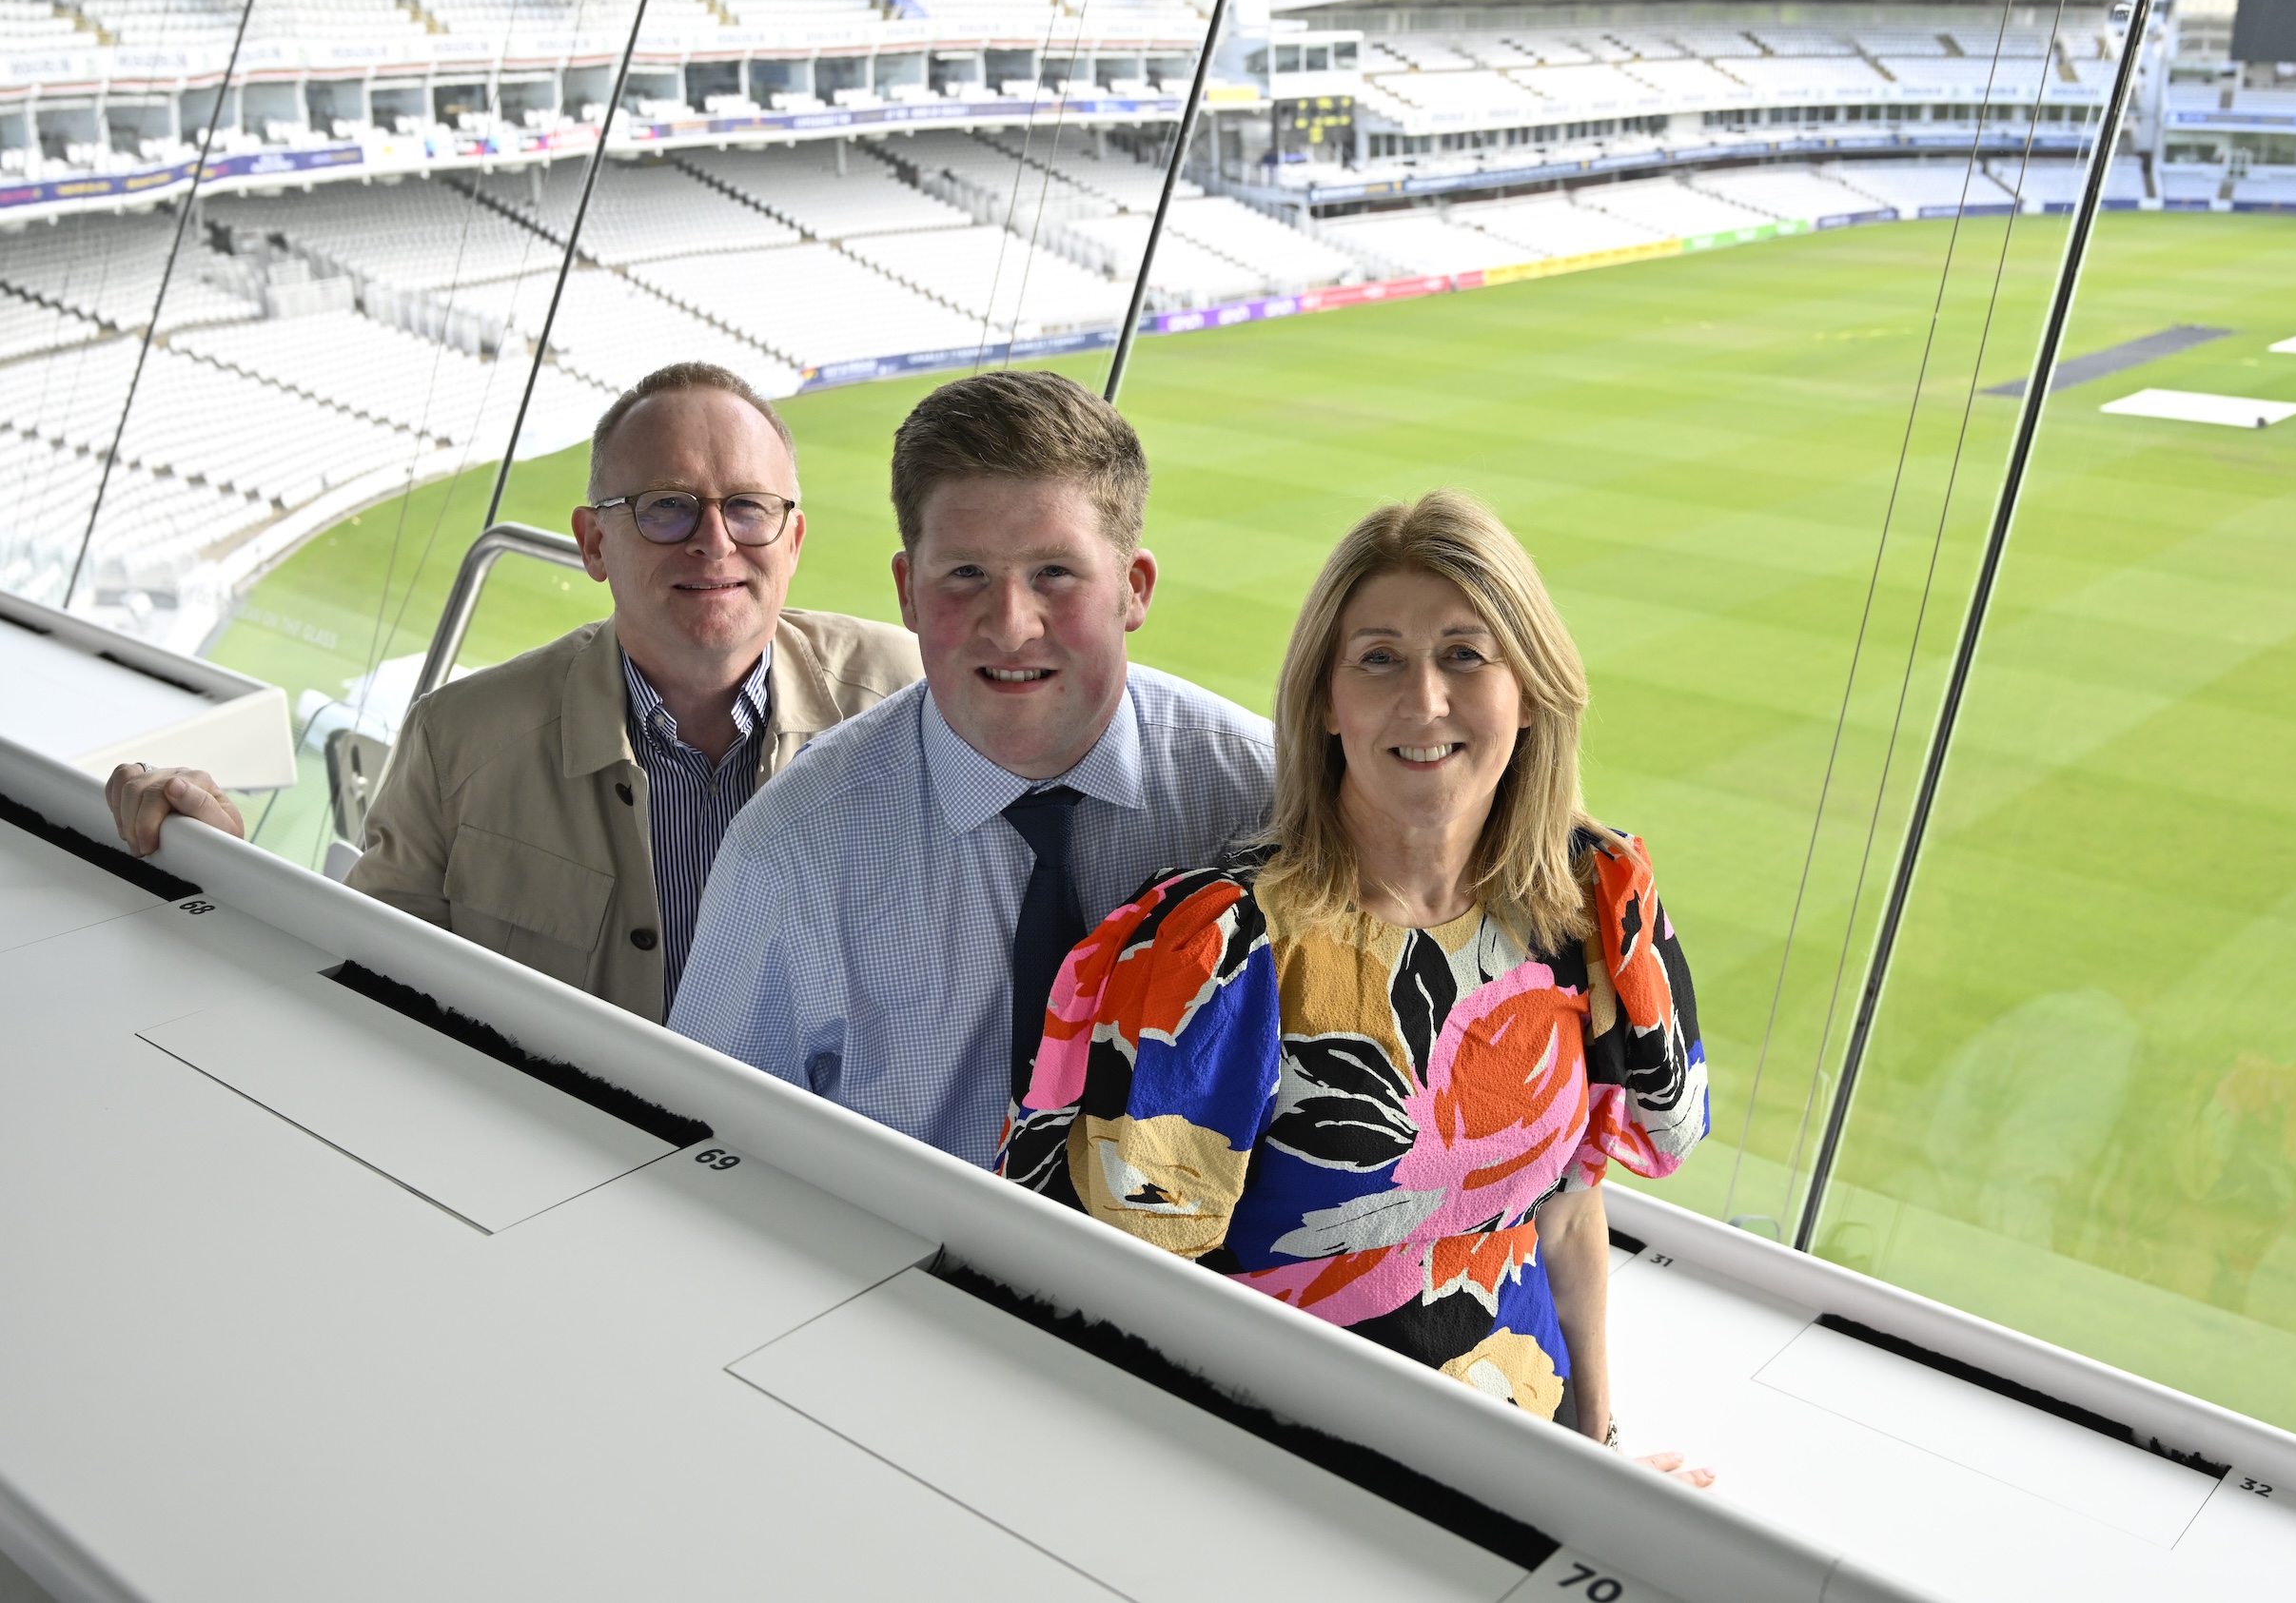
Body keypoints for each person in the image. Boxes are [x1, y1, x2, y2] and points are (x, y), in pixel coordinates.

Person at [997, 490, 1710, 1470]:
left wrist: (1603, 1457)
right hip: (1284, 1470)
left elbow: (1568, 1209)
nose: (1424, 702)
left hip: (1526, 1456)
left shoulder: (1589, 907)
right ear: (1327, 701)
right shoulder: (1219, 949)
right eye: (1379, 659)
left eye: (1466, 653)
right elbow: (1117, 1296)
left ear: (1531, 689)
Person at [107, 362, 922, 1023]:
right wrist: (225, 869)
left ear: (794, 539)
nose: (715, 541)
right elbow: (359, 985)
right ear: (594, 542)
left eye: (748, 507)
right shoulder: (454, 742)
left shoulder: (917, 700)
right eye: (668, 508)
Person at [670, 370, 1274, 1164]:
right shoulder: (789, 853)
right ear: (907, 593)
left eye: (1055, 573)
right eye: (966, 575)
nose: (1012, 624)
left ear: (1134, 589)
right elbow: (699, 1158)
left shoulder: (1267, 797)